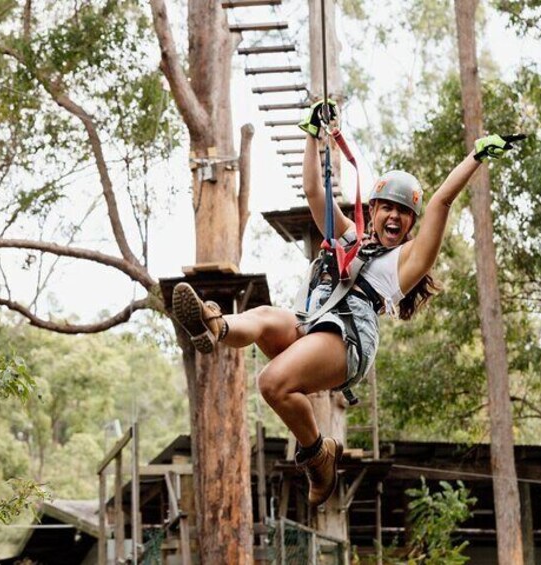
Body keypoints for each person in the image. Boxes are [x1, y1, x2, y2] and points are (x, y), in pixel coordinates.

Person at [171, 101, 521, 506]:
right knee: (266, 317)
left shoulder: (406, 262)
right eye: (387, 207)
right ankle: (213, 325)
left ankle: (318, 454)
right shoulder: (350, 235)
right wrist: (312, 132)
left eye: (404, 213)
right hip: (311, 323)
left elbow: (441, 202)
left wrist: (476, 156)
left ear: (410, 224)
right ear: (372, 211)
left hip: (348, 339)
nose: (394, 217)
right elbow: (314, 191)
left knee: (271, 383)